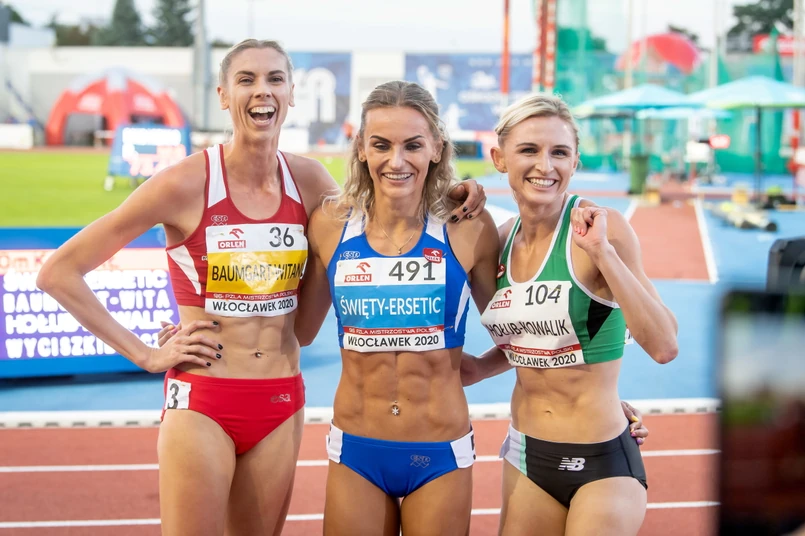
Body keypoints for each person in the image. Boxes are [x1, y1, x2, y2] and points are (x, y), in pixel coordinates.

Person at [36, 40, 485, 536]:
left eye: (275, 79)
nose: (262, 91)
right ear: (223, 95)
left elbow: (380, 211)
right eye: (246, 79)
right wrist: (144, 354)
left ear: (291, 94)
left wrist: (451, 191)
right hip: (205, 397)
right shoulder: (184, 183)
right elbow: (59, 272)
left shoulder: (309, 182)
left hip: (279, 401)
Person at [293, 81, 649, 536]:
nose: (396, 161)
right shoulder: (329, 225)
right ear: (360, 147)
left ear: (437, 149)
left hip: (440, 451)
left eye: (413, 145)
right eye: (381, 145)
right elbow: (299, 331)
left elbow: (526, 326)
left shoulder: (468, 228)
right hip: (356, 446)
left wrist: (600, 400)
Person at [462, 93, 679, 536]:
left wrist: (602, 253)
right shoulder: (498, 242)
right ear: (499, 159)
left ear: (575, 161)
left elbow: (664, 345)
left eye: (559, 152)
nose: (545, 166)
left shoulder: (601, 227)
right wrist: (480, 367)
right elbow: (531, 336)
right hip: (527, 455)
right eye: (529, 150)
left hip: (602, 461)